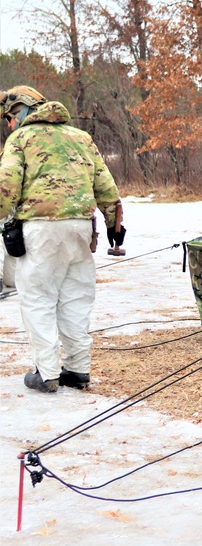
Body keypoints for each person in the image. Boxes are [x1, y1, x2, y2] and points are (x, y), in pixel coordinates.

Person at [0, 85, 124, 393]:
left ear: (21, 111)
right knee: (75, 299)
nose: (8, 125)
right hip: (82, 228)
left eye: (8, 118)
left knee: (38, 298)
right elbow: (105, 184)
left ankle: (47, 372)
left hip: (41, 229)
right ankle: (78, 369)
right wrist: (115, 225)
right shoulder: (81, 137)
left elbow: (6, 186)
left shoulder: (21, 139)